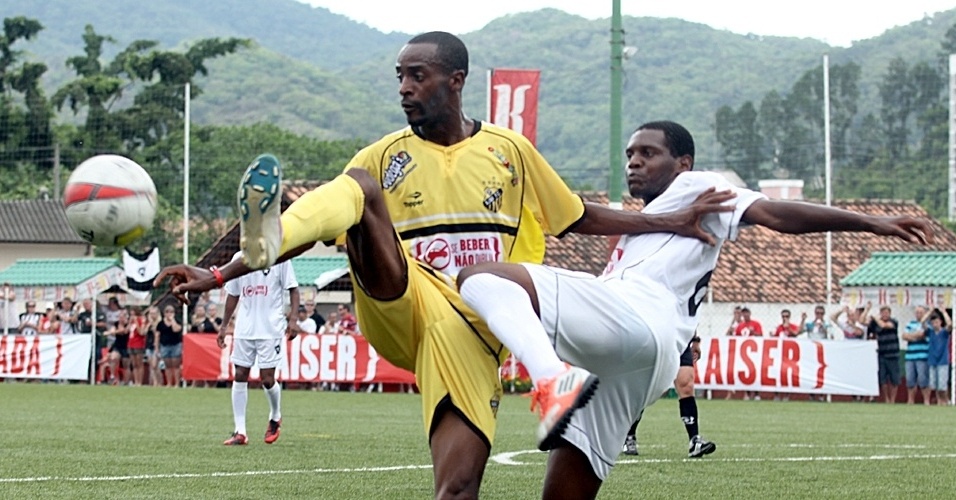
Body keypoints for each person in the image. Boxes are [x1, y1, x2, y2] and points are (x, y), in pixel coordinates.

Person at [154, 32, 734, 499]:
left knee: (457, 488)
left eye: (417, 75)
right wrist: (223, 273)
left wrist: (665, 220)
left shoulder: (510, 152)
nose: (404, 88)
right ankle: (267, 236)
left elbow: (579, 216)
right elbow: (320, 228)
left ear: (455, 81)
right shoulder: (384, 155)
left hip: (471, 335)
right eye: (399, 77)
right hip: (402, 298)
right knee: (356, 190)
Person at [453, 120, 931, 498]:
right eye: (629, 155)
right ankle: (562, 380)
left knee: (479, 277)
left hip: (636, 316)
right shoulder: (644, 220)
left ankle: (549, 379)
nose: (634, 163)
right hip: (641, 359)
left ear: (683, 162)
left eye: (648, 153)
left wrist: (872, 222)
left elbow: (775, 215)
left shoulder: (699, 188)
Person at [219, 252, 299, 445]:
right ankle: (240, 432)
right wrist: (224, 326)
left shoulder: (279, 255)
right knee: (239, 373)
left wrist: (293, 319)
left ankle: (275, 416)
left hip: (270, 328)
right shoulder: (239, 257)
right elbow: (233, 293)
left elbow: (293, 290)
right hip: (245, 327)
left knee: (267, 378)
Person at [622, 336, 716, 458]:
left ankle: (694, 441)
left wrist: (695, 340)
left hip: (680, 339)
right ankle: (629, 436)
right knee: (644, 387)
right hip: (653, 336)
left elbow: (690, 316)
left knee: (686, 385)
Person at [868, 305, 901, 403]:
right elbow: (863, 322)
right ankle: (886, 399)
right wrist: (867, 310)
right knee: (882, 379)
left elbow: (884, 325)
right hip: (881, 353)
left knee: (894, 379)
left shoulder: (894, 322)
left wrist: (875, 318)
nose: (885, 314)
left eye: (886, 312)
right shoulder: (876, 324)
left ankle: (892, 399)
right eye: (883, 312)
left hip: (893, 354)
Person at [901, 306, 931, 404]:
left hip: (922, 356)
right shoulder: (910, 324)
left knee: (923, 379)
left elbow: (922, 334)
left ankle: (926, 400)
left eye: (921, 312)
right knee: (910, 380)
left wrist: (912, 336)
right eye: (917, 312)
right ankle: (910, 400)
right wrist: (915, 336)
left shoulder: (928, 325)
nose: (918, 314)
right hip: (910, 356)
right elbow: (904, 336)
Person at [925, 308, 952, 405]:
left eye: (937, 322)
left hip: (943, 361)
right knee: (933, 384)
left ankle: (945, 401)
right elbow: (922, 323)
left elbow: (950, 325)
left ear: (940, 322)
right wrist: (929, 311)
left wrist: (944, 312)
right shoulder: (931, 332)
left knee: (942, 385)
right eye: (933, 322)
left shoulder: (944, 333)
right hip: (932, 360)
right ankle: (939, 401)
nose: (935, 324)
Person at [155, 304, 183, 387]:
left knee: (176, 365)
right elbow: (157, 336)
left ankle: (177, 383)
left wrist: (172, 320)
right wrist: (157, 348)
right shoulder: (160, 324)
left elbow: (176, 329)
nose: (169, 314)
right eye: (167, 312)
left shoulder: (177, 321)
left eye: (171, 312)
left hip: (176, 345)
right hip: (164, 345)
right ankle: (169, 383)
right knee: (168, 365)